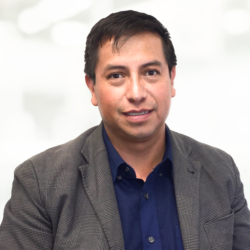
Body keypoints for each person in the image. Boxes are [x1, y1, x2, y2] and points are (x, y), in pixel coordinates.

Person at [0, 10, 249, 250]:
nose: (136, 93)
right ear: (92, 87)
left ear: (171, 78)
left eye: (151, 72)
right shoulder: (40, 183)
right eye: (117, 75)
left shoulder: (219, 170)